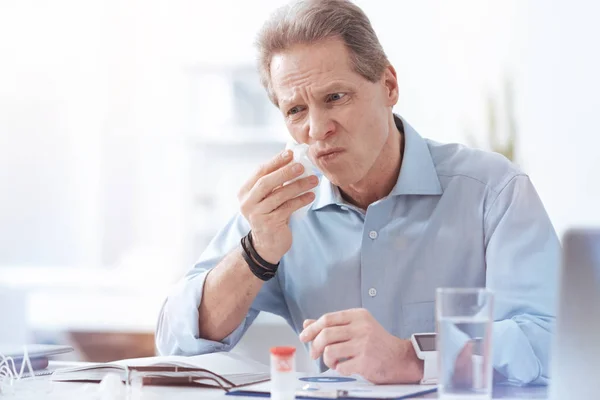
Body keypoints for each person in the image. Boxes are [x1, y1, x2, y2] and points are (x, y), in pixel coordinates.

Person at [156, 0, 559, 385]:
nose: (317, 129)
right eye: (295, 110)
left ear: (388, 85)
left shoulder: (493, 191)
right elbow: (177, 343)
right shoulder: (282, 208)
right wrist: (256, 253)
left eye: (335, 97)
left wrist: (411, 357)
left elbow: (553, 340)